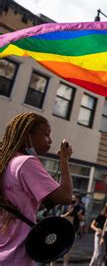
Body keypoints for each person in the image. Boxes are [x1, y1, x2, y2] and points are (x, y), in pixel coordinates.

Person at [0, 112, 73, 265]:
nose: (50, 140)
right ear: (27, 136)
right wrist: (64, 160)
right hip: (15, 258)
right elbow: (66, 197)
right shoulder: (26, 162)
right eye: (46, 135)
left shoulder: (7, 163)